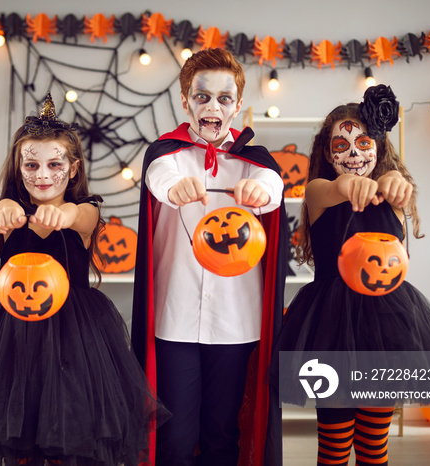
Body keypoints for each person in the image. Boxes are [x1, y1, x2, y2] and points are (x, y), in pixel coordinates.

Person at [0, 93, 166, 466]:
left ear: (73, 169)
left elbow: (82, 216)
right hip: (10, 329)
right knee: (14, 422)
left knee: (70, 424)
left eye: (54, 164)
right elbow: (3, 210)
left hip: (75, 333)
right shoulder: (11, 210)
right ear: (19, 167)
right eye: (32, 165)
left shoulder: (85, 210)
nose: (42, 175)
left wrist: (66, 214)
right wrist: (6, 208)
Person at [270, 84, 430, 466]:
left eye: (363, 143)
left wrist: (397, 185)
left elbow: (400, 189)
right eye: (341, 146)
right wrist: (350, 185)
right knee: (333, 442)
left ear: (380, 146)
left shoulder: (395, 196)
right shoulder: (318, 190)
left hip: (387, 326)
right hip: (330, 327)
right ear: (327, 154)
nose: (354, 153)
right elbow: (337, 188)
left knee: (374, 445)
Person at [131, 47, 289, 466]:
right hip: (176, 318)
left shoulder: (254, 162)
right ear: (186, 101)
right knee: (175, 437)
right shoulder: (166, 156)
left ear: (238, 106)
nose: (213, 106)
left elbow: (273, 184)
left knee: (222, 435)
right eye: (202, 96)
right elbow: (158, 176)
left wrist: (263, 192)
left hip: (236, 322)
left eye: (224, 98)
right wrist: (173, 188)